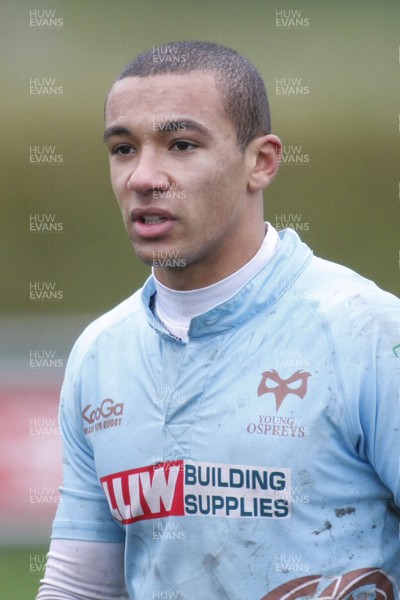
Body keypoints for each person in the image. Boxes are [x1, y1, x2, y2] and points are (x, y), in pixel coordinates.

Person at [36, 41, 400, 600]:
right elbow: (79, 587)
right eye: (124, 148)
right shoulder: (101, 354)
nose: (143, 177)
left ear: (262, 162)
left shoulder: (366, 333)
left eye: (181, 145)